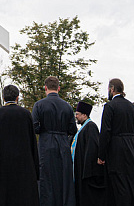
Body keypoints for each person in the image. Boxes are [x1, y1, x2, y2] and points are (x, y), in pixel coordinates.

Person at [97, 78, 134, 206]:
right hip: (132, 148)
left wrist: (101, 155)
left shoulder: (109, 106)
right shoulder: (132, 107)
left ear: (111, 89)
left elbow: (105, 132)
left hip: (116, 149)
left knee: (119, 183)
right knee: (133, 182)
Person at [0, 85, 39, 206]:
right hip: (23, 166)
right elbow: (32, 142)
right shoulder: (25, 114)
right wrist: (36, 169)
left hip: (2, 166)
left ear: (4, 98)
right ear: (17, 97)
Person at [32, 76, 77, 206]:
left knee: (46, 179)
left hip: (46, 144)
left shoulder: (39, 105)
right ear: (59, 88)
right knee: (64, 178)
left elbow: (34, 127)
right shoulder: (67, 106)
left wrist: (44, 129)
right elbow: (72, 129)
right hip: (62, 144)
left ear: (45, 88)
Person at [71, 100, 107, 206]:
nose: (76, 116)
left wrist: (87, 171)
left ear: (85, 115)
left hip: (86, 171)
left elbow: (92, 149)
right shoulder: (83, 128)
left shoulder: (91, 127)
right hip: (80, 168)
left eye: (77, 114)